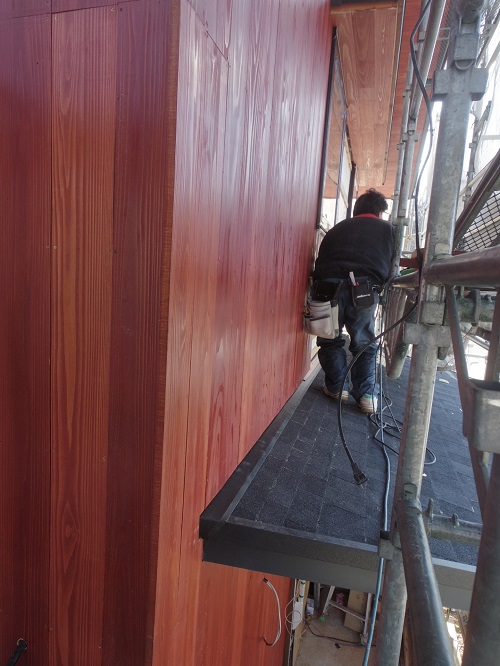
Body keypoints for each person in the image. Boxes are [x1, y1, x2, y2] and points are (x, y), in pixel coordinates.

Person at [312, 189, 394, 414]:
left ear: (357, 210)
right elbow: (391, 268)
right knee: (363, 342)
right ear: (379, 212)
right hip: (364, 289)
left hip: (327, 288)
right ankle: (366, 396)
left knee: (330, 338)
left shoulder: (337, 228)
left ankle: (337, 388)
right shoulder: (388, 230)